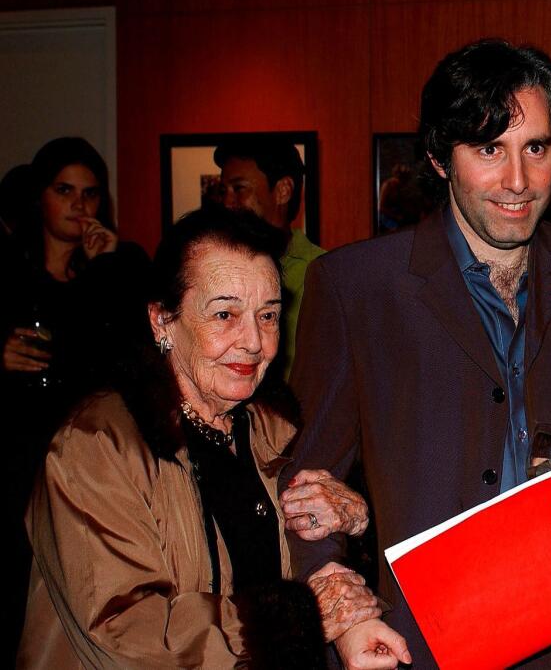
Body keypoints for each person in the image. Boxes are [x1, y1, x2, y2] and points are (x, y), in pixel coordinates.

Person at [285, 39, 551, 669]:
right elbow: (308, 484)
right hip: (412, 642)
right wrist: (343, 615)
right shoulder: (356, 287)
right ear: (440, 157)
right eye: (488, 149)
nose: (517, 182)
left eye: (536, 149)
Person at [18, 207, 389, 668]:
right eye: (225, 314)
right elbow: (124, 631)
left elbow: (297, 564)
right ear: (162, 320)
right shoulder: (97, 444)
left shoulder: (269, 432)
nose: (254, 341)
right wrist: (294, 620)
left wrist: (354, 521)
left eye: (268, 315)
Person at [0, 137, 151, 664]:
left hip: (84, 455)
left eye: (89, 193)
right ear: (40, 196)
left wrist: (108, 263)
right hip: (17, 449)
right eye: (65, 191)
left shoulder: (111, 272)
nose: (78, 205)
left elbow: (132, 353)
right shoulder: (9, 272)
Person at [215, 134, 324, 378]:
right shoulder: (213, 270)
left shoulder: (320, 273)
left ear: (283, 191)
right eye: (224, 191)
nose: (227, 202)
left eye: (239, 188)